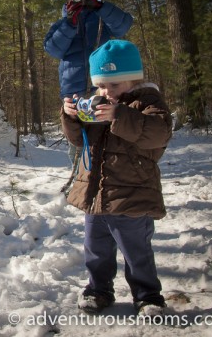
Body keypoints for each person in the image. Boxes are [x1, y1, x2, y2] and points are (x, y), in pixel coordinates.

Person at [61, 40, 172, 317]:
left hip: (133, 192)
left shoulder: (148, 103)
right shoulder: (97, 103)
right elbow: (79, 141)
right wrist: (71, 117)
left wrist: (119, 115)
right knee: (95, 248)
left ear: (134, 80)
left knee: (136, 250)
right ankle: (98, 289)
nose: (106, 92)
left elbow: (157, 134)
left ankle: (148, 296)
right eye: (101, 86)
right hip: (96, 193)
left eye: (115, 85)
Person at [44, 0, 133, 168]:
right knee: (77, 144)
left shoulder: (101, 18)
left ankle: (106, 180)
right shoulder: (62, 24)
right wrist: (70, 22)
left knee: (107, 141)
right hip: (74, 95)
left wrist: (100, 6)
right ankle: (79, 183)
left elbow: (124, 25)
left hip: (103, 90)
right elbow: (53, 49)